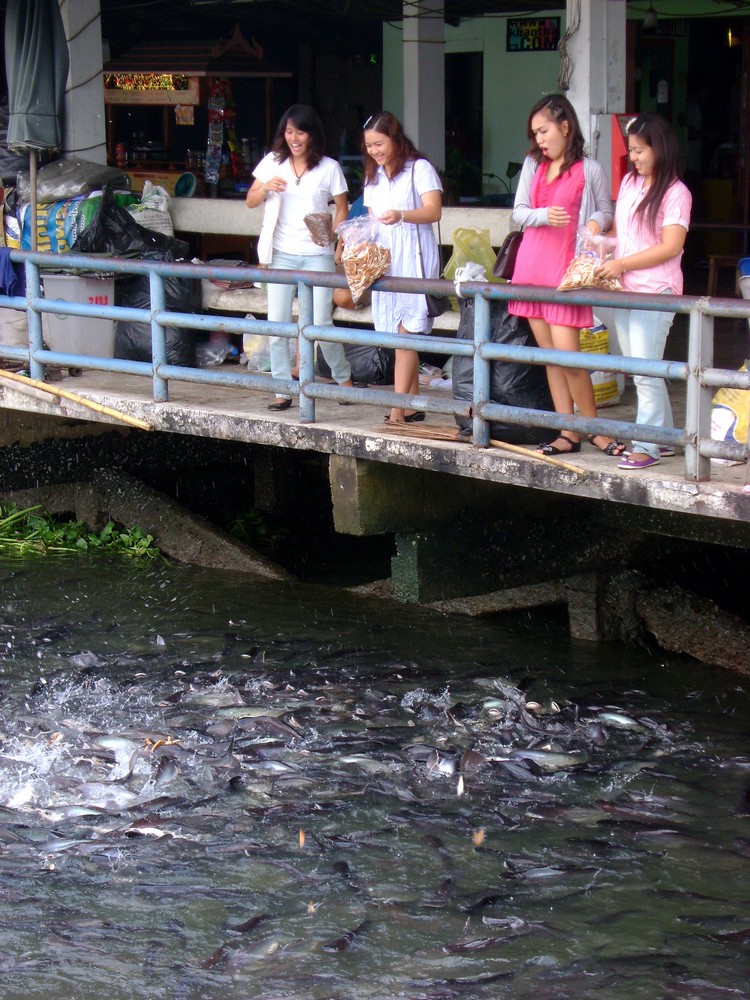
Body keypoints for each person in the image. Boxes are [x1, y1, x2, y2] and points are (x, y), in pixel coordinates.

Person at [508, 94, 625, 457]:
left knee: (570, 356)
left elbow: (607, 210)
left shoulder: (590, 168)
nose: (540, 140)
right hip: (532, 266)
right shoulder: (533, 164)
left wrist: (595, 221)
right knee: (551, 357)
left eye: (544, 131)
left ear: (565, 126)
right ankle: (567, 431)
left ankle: (595, 430)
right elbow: (519, 213)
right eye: (535, 133)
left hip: (567, 271)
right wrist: (544, 215)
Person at [596, 112, 692, 470]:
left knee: (644, 371)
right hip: (626, 287)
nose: (633, 158)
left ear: (660, 148)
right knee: (640, 369)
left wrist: (621, 263)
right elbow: (621, 234)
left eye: (639, 150)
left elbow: (670, 246)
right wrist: (599, 248)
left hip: (656, 290)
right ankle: (663, 438)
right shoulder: (631, 185)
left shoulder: (676, 192)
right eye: (631, 151)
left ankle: (646, 446)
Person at [246, 104, 353, 411]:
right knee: (277, 322)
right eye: (289, 131)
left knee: (320, 321)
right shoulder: (273, 162)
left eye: (300, 131)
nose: (294, 138)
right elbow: (251, 200)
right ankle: (282, 388)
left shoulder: (329, 167)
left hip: (317, 255)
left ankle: (343, 379)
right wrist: (265, 187)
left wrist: (333, 237)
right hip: (281, 255)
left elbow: (342, 207)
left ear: (312, 135)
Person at [360, 111, 443, 423]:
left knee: (405, 335)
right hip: (386, 258)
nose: (375, 151)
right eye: (369, 146)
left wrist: (402, 215)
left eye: (379, 143)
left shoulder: (418, 168)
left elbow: (433, 210)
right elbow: (370, 219)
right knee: (400, 335)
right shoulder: (374, 175)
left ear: (394, 138)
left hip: (414, 258)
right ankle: (408, 404)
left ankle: (397, 410)